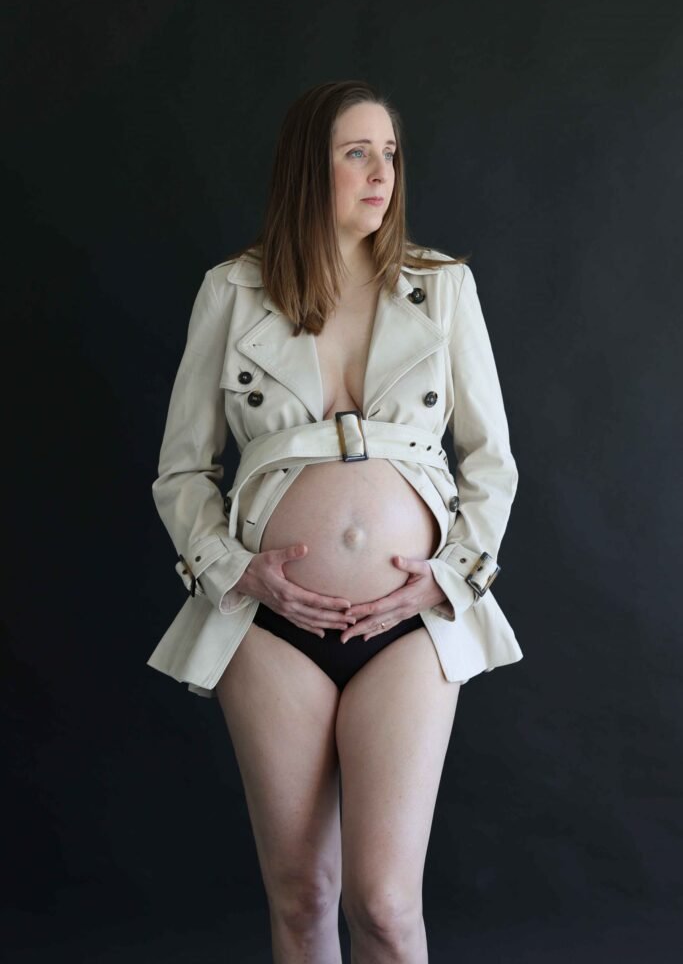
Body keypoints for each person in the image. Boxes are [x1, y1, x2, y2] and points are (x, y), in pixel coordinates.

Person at [147, 79, 523, 963]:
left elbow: (490, 464)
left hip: (409, 622)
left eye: (389, 153)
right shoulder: (232, 292)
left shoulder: (444, 287)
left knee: (386, 906)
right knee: (301, 895)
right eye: (355, 152)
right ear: (304, 169)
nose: (379, 172)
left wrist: (449, 574)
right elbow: (181, 468)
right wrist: (233, 569)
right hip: (269, 626)